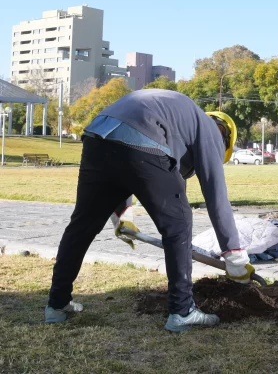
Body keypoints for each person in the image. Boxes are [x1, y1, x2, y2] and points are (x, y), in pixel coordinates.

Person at [45, 89, 254, 332]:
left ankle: (56, 304)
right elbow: (216, 197)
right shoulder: (210, 131)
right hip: (139, 140)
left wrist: (123, 217)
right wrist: (235, 256)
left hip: (97, 136)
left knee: (82, 225)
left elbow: (123, 168)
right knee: (179, 224)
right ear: (225, 137)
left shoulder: (177, 117)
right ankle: (182, 311)